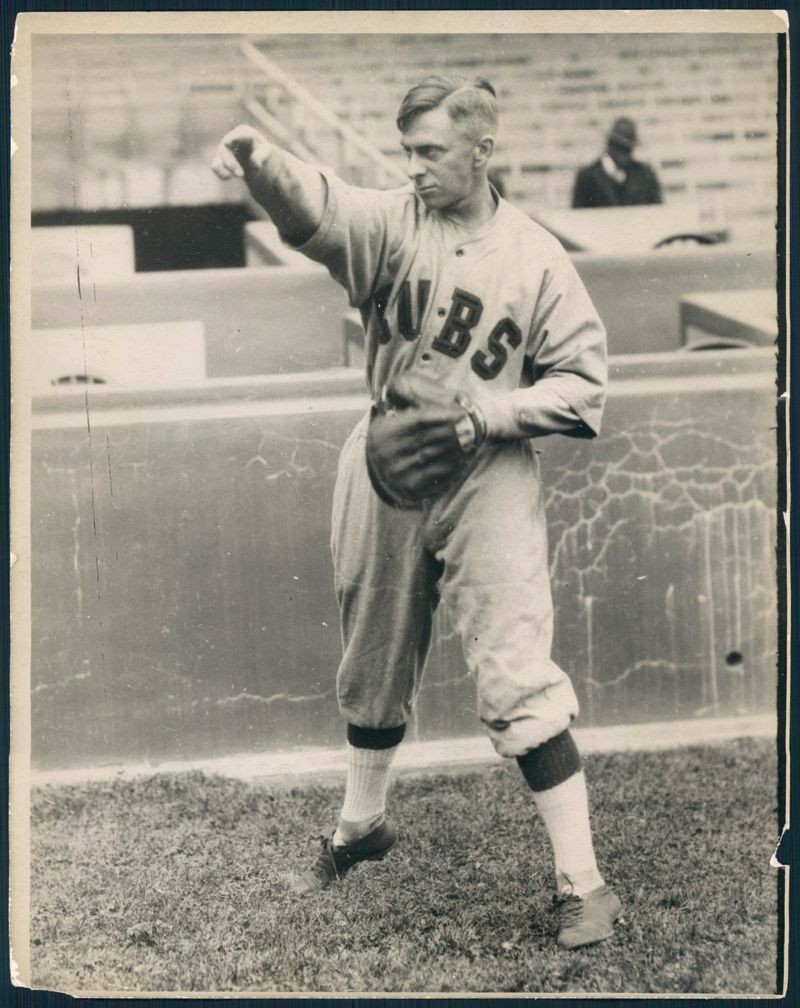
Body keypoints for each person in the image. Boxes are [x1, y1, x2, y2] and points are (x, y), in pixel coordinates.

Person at [212, 74, 621, 950]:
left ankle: (583, 882)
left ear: (482, 150)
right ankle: (360, 828)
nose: (414, 167)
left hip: (488, 473)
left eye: (430, 151)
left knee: (516, 677)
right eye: (407, 150)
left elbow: (584, 386)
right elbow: (320, 210)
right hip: (385, 457)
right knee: (371, 660)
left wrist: (488, 414)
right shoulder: (396, 222)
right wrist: (260, 160)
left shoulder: (537, 257)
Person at [572, 116, 662, 209]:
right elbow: (579, 215)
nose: (623, 155)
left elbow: (658, 211)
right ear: (609, 145)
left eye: (628, 149)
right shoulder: (587, 177)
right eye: (618, 146)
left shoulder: (645, 175)